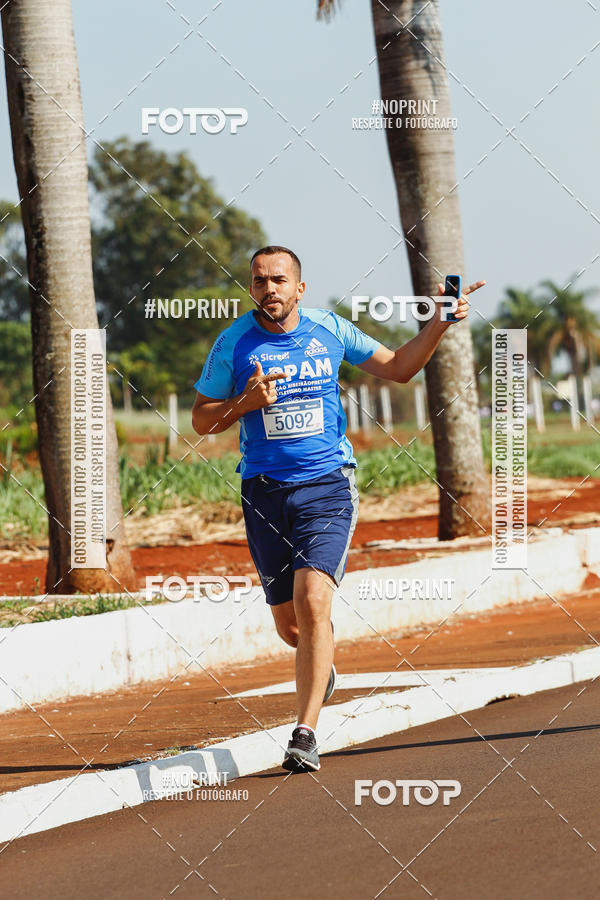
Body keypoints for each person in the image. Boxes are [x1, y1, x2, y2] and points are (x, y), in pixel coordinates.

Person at [192, 245, 484, 772]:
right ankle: (319, 667)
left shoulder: (330, 329)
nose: (269, 289)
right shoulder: (233, 342)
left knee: (313, 600)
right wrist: (244, 405)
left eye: (279, 280)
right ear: (251, 288)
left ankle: (304, 734)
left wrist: (439, 324)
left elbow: (398, 368)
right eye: (259, 281)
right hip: (262, 491)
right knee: (291, 627)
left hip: (326, 485)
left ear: (299, 288)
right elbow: (200, 421)